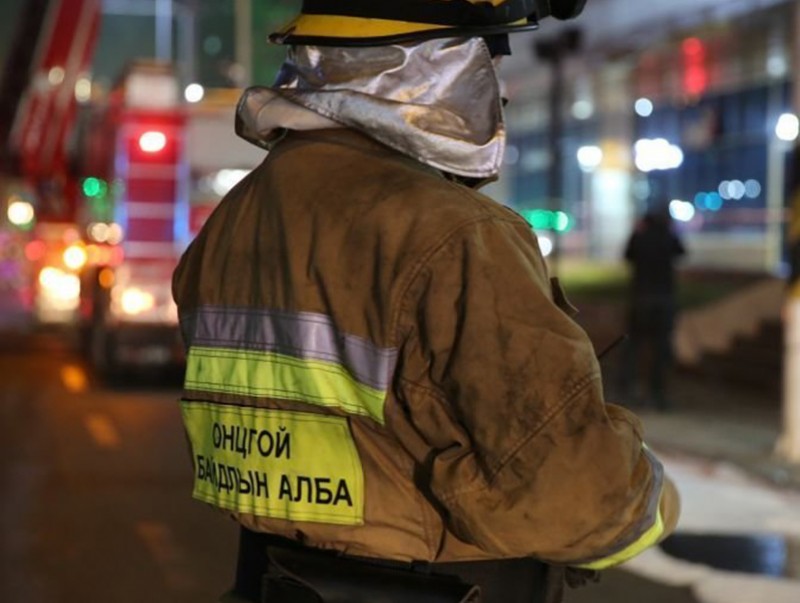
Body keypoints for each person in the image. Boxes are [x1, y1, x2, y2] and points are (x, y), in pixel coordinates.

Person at [171, 2, 681, 602]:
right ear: (431, 65)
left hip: (269, 580)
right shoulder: (454, 234)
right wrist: (650, 499)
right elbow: (570, 493)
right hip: (439, 585)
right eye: (488, 61)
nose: (499, 92)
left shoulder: (234, 220)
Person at [619, 203, 687, 411]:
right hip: (663, 300)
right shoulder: (668, 236)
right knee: (660, 349)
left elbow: (628, 255)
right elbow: (681, 252)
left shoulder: (641, 236)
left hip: (641, 299)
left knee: (633, 347)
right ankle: (658, 394)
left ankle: (629, 389)